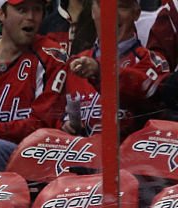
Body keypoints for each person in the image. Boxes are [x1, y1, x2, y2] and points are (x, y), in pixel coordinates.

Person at [0, 0, 69, 171]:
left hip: (34, 158)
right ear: (1, 14)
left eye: (37, 9)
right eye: (22, 10)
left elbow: (42, 126)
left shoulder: (52, 57)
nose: (31, 17)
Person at [59, 0, 170, 137]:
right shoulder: (75, 63)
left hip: (131, 156)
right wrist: (64, 126)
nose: (111, 14)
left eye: (122, 7)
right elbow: (52, 118)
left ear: (136, 14)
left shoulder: (154, 62)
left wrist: (102, 71)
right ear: (93, 12)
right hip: (81, 155)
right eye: (104, 6)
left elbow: (149, 98)